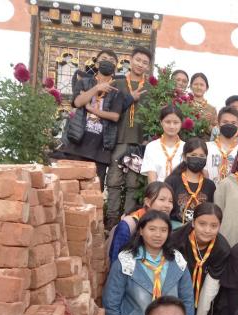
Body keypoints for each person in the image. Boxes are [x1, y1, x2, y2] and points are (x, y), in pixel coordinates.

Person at [103, 211, 196, 315]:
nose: (158, 235)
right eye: (152, 229)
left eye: (163, 230)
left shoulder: (177, 260)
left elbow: (187, 298)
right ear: (141, 230)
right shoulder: (126, 261)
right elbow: (111, 299)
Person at [170, 203, 231, 315]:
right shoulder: (176, 239)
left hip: (202, 299)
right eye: (202, 224)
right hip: (174, 292)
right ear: (193, 222)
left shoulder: (222, 248)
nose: (207, 230)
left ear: (220, 226)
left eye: (213, 226)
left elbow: (211, 286)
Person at [61, 49, 123, 189]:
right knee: (71, 188)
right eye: (104, 59)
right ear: (96, 63)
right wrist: (96, 88)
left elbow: (115, 116)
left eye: (112, 61)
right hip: (77, 143)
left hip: (100, 148)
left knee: (94, 191)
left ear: (115, 67)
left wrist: (91, 109)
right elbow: (78, 102)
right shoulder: (84, 82)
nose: (107, 62)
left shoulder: (117, 89)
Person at [105, 47, 152, 229]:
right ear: (130, 60)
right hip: (119, 138)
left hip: (139, 142)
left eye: (145, 62)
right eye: (138, 60)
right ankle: (111, 218)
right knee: (114, 181)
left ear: (148, 66)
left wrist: (148, 138)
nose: (140, 64)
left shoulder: (150, 89)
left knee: (133, 183)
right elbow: (108, 109)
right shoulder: (117, 83)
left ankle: (128, 220)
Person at [107, 181, 174, 265]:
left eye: (170, 201)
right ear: (147, 202)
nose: (167, 205)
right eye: (162, 199)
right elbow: (116, 261)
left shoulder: (169, 226)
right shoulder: (128, 226)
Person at [164, 138, 215, 225]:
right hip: (176, 230)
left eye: (202, 156)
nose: (197, 158)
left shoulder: (210, 185)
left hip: (200, 230)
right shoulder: (172, 181)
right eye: (193, 155)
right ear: (184, 157)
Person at [141, 105, 185, 183]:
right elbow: (152, 180)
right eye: (168, 122)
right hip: (158, 189)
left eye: (176, 122)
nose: (172, 126)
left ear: (181, 123)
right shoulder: (152, 147)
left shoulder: (186, 147)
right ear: (161, 122)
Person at [206, 107, 238, 183]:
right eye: (225, 122)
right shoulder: (206, 147)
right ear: (218, 124)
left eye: (233, 123)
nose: (229, 125)